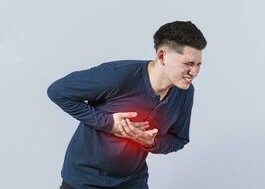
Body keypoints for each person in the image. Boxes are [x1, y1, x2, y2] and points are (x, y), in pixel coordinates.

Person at [47, 20, 207, 189]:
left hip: (132, 182)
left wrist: (150, 142)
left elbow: (178, 139)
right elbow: (58, 91)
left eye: (198, 64)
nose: (195, 72)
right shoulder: (117, 76)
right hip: (84, 180)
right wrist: (109, 123)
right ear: (162, 56)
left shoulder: (185, 92)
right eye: (188, 63)